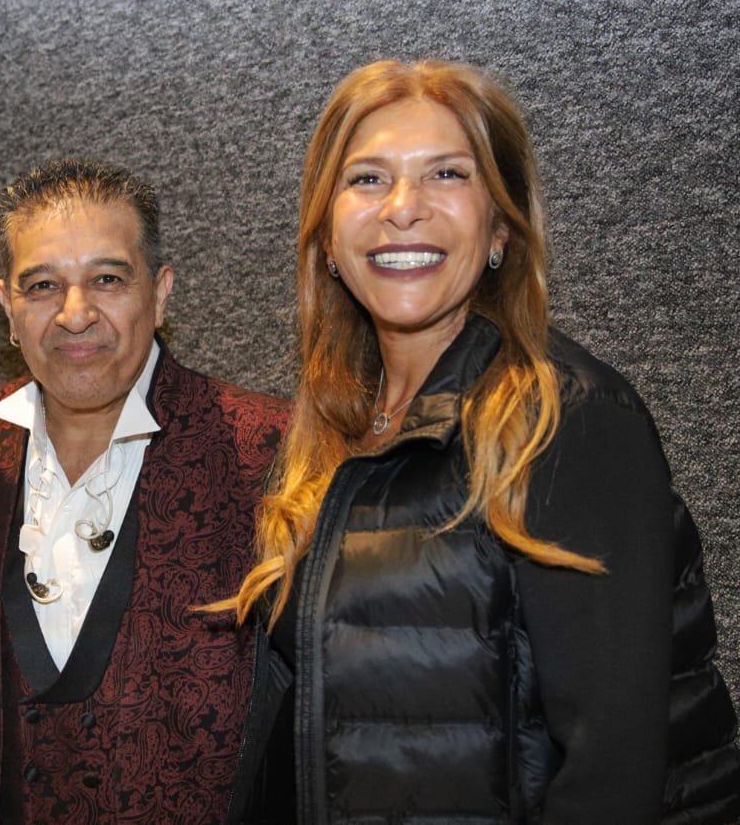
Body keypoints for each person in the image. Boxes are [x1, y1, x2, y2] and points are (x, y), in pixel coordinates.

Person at [219, 60, 740, 823]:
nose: (403, 208)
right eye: (367, 178)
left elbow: (612, 775)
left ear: (500, 227)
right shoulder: (333, 433)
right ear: (326, 235)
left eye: (447, 174)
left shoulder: (566, 418)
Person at [0, 158, 289, 822]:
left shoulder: (271, 452)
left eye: (108, 279)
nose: (75, 314)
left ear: (162, 292)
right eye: (42, 285)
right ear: (7, 308)